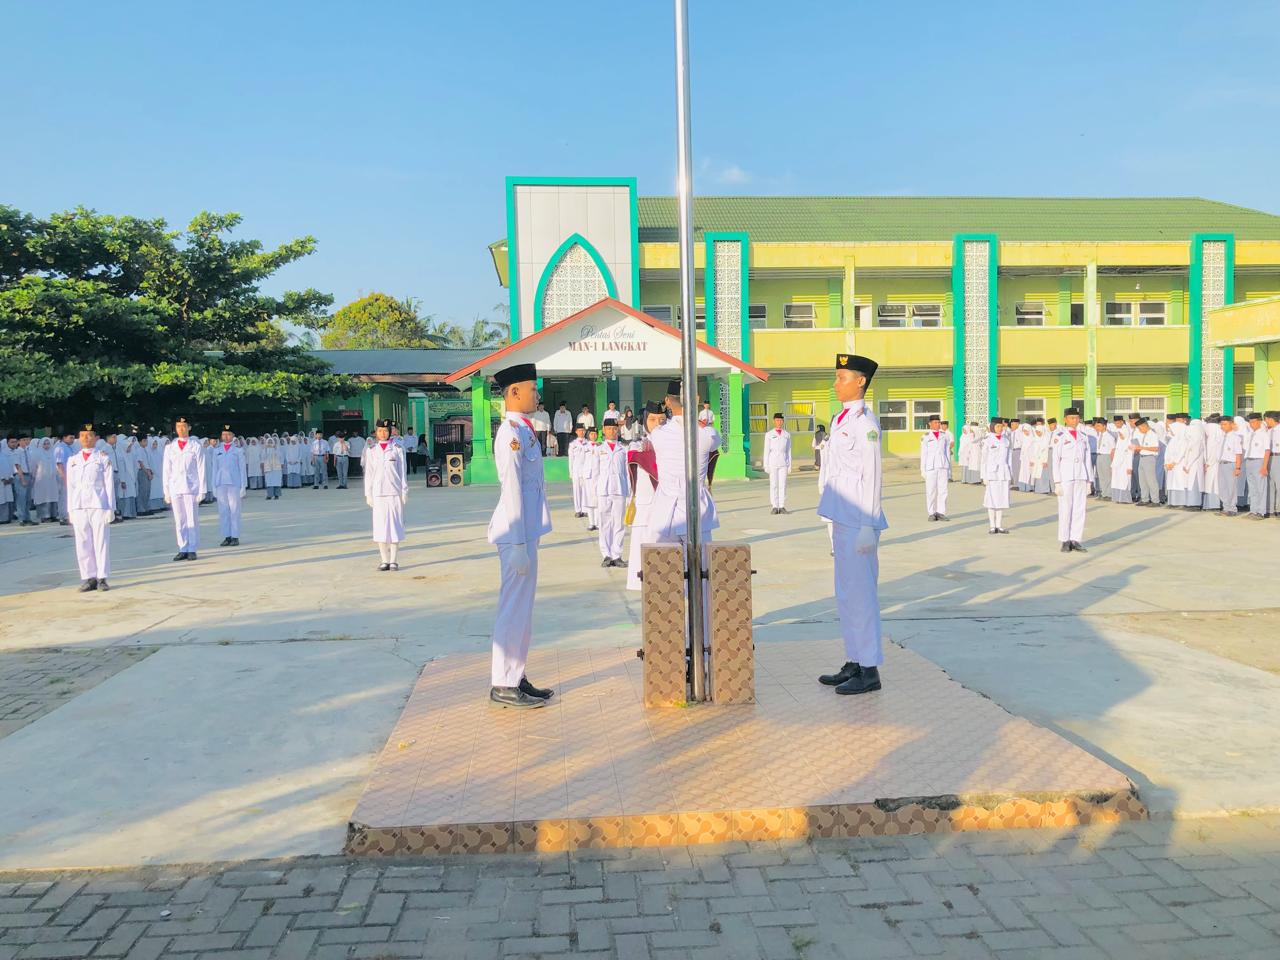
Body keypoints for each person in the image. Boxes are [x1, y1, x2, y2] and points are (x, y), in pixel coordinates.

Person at [816, 354, 886, 697]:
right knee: (846, 594)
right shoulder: (841, 418)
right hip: (842, 516)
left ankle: (869, 669)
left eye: (842, 377)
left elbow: (873, 477)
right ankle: (855, 660)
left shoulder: (865, 424)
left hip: (859, 520)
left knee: (861, 596)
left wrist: (869, 525)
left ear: (860, 381)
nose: (836, 383)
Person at [486, 362, 554, 710]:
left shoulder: (524, 429)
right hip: (516, 534)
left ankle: (516, 674)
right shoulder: (510, 434)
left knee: (523, 610)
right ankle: (503, 682)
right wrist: (515, 544)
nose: (536, 394)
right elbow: (512, 489)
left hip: (526, 532)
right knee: (512, 608)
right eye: (531, 388)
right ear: (514, 392)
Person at [66, 425, 115, 592]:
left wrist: (110, 508)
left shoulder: (102, 457)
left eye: (89, 435)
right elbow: (70, 487)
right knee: (82, 542)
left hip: (98, 503)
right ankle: (89, 577)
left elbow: (109, 484)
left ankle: (102, 577)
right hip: (79, 505)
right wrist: (70, 509)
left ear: (95, 438)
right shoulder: (73, 460)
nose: (86, 439)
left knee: (100, 541)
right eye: (82, 435)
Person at [625, 402, 664, 591]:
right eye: (652, 419)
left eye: (661, 419)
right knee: (641, 557)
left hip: (665, 506)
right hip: (645, 505)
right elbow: (634, 458)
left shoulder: (672, 442)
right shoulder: (637, 444)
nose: (657, 423)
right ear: (644, 422)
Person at [364, 418, 408, 571]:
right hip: (378, 494)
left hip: (394, 493)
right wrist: (368, 494)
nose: (383, 433)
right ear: (376, 433)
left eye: (385, 431)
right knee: (380, 528)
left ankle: (394, 560)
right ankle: (384, 560)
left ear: (390, 433)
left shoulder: (397, 449)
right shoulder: (371, 451)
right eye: (380, 431)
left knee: (395, 527)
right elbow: (368, 474)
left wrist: (404, 491)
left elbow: (403, 472)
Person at [163, 417, 207, 561]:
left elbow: (201, 468)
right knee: (179, 520)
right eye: (178, 426)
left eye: (183, 426)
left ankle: (192, 548)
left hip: (191, 487)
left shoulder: (195, 446)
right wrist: (166, 491)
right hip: (175, 487)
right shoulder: (170, 447)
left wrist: (202, 490)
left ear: (189, 428)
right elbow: (166, 470)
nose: (181, 429)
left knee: (191, 519)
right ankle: (182, 547)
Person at [1053, 407, 1093, 552]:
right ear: (1065, 419)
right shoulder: (1059, 436)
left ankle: (1075, 539)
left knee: (1079, 509)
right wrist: (1057, 482)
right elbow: (1055, 460)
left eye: (1076, 418)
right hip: (1066, 477)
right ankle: (1065, 540)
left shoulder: (1083, 436)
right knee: (1065, 508)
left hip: (1081, 476)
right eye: (1071, 418)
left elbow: (1087, 459)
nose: (1074, 420)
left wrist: (1089, 480)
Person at [594, 417, 629, 567]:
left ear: (618, 430)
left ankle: (617, 554)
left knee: (619, 522)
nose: (612, 431)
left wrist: (629, 492)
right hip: (603, 490)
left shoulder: (624, 449)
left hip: (620, 489)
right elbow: (595, 473)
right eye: (608, 429)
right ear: (604, 430)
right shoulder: (598, 449)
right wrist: (594, 492)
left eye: (614, 428)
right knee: (604, 522)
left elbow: (628, 472)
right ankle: (606, 554)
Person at [213, 425, 247, 546]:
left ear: (233, 436)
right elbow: (214, 469)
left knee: (234, 511)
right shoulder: (217, 450)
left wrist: (243, 486)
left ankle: (235, 536)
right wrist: (214, 486)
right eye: (223, 434)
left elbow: (242, 469)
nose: (226, 437)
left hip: (234, 483)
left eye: (228, 434)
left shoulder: (238, 450)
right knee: (223, 511)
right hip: (221, 483)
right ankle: (226, 536)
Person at [982, 417, 1012, 534]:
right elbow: (983, 460)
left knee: (1002, 499)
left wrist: (1011, 474)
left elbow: (1008, 459)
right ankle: (992, 525)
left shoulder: (1006, 440)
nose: (1000, 428)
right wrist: (984, 476)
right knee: (991, 499)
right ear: (993, 427)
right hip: (992, 473)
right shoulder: (987, 441)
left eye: (1001, 426)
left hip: (1004, 473)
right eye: (998, 426)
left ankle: (999, 525)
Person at [919, 414, 950, 521]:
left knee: (943, 490)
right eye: (935, 422)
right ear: (930, 424)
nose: (937, 424)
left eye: (939, 422)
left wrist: (949, 468)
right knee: (931, 490)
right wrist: (922, 470)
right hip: (930, 467)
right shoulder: (926, 437)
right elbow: (923, 454)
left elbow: (947, 453)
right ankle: (931, 512)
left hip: (942, 465)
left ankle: (941, 512)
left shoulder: (944, 436)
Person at [763, 412, 792, 515]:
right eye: (777, 420)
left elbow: (789, 451)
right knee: (774, 484)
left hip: (783, 462)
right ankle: (775, 506)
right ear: (774, 421)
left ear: (783, 421)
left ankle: (782, 506)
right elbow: (766, 450)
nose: (779, 422)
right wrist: (765, 465)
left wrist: (789, 465)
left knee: (783, 484)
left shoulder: (787, 434)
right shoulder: (769, 434)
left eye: (780, 420)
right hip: (773, 462)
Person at [1242, 412, 1269, 518]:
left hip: (1259, 461)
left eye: (1253, 422)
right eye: (1250, 422)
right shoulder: (1249, 434)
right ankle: (1253, 510)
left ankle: (1261, 512)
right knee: (1252, 488)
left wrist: (1264, 466)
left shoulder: (1264, 434)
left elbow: (1267, 450)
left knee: (1260, 487)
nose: (1251, 424)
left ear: (1260, 421)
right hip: (1249, 461)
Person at [1216, 417, 1243, 516]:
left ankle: (1232, 509)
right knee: (1222, 487)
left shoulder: (1236, 437)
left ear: (1231, 424)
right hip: (1221, 464)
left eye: (1225, 424)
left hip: (1231, 464)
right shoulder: (1221, 436)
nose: (1222, 426)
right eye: (1221, 424)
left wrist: (1238, 467)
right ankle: (1225, 507)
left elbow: (1238, 454)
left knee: (1231, 487)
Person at [1133, 418, 1161, 505]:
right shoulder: (1143, 435)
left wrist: (1141, 448)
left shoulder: (1153, 435)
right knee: (1142, 480)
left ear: (1144, 426)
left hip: (1149, 458)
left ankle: (1155, 500)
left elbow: (1156, 448)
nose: (1139, 430)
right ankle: (1145, 499)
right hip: (1142, 458)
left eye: (1140, 428)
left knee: (1151, 480)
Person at [567, 425, 589, 518]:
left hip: (586, 470)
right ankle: (578, 510)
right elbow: (571, 459)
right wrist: (571, 472)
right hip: (576, 470)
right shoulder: (573, 444)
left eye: (583, 430)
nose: (581, 432)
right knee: (576, 491)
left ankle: (585, 509)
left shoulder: (588, 443)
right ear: (576, 432)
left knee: (585, 490)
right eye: (579, 430)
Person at [1266, 410, 1280, 517]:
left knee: (1279, 484)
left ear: (1271, 419)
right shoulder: (1269, 431)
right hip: (1269, 458)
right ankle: (1270, 509)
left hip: (1278, 457)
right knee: (1270, 484)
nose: (1265, 421)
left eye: (1266, 419)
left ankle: (1278, 509)